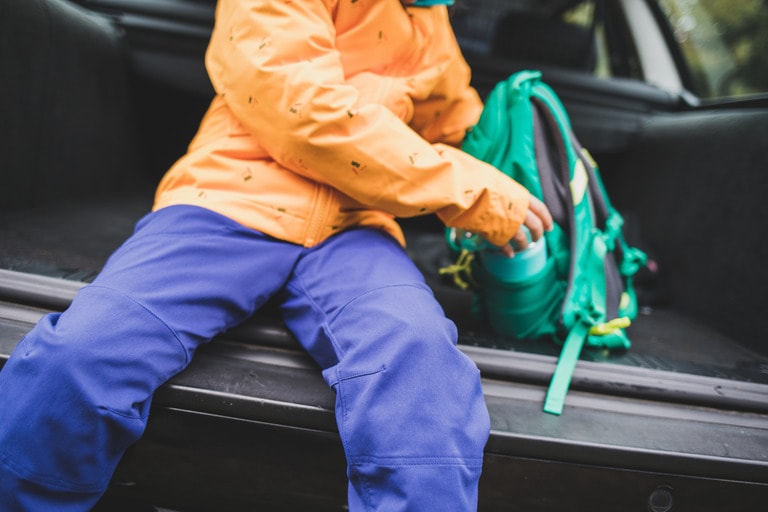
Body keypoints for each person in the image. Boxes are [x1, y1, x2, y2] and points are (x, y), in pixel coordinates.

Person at [0, 0, 552, 510]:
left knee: (422, 368)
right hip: (225, 204)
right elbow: (305, 112)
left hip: (352, 228)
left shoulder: (431, 23)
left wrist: (535, 178)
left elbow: (457, 129)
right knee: (82, 354)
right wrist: (473, 192)